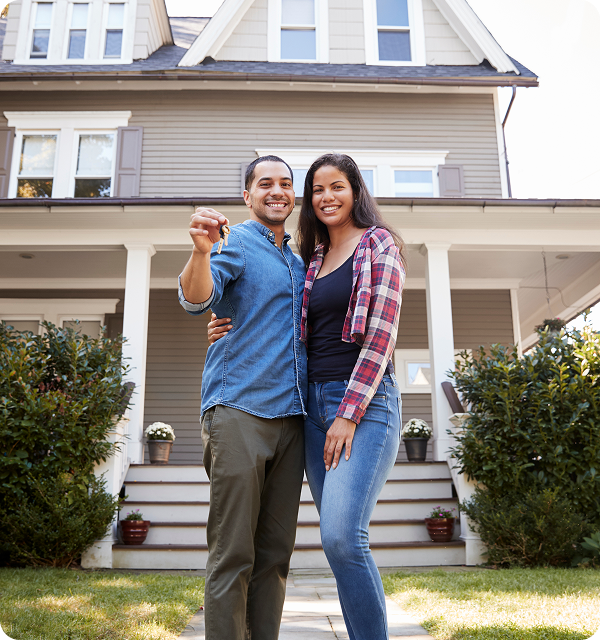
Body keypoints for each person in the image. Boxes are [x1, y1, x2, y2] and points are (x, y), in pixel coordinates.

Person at [209, 153, 405, 640]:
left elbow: (381, 338)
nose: (327, 197)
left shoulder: (378, 245)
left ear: (356, 190)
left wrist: (348, 414)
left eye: (337, 187)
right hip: (309, 407)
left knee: (342, 538)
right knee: (319, 543)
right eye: (318, 190)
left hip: (360, 405)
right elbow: (276, 318)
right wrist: (224, 326)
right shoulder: (309, 258)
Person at [178, 156, 308, 640]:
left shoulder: (297, 261)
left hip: (292, 418)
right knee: (233, 552)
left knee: (274, 555)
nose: (277, 191)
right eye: (265, 183)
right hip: (239, 411)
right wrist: (199, 251)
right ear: (248, 196)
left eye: (285, 184)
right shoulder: (235, 245)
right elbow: (196, 299)